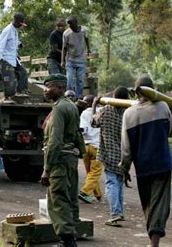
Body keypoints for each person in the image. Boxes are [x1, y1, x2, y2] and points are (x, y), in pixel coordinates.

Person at [120, 77, 172, 247]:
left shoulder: (128, 113)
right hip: (162, 163)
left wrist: (124, 169)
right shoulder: (162, 106)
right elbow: (171, 132)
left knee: (147, 203)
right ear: (153, 90)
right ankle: (154, 242)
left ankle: (153, 240)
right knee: (159, 203)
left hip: (142, 166)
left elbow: (126, 147)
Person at [41, 73, 85, 247]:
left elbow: (55, 140)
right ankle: (72, 233)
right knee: (70, 196)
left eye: (49, 87)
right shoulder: (71, 106)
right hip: (70, 158)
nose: (45, 90)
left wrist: (47, 168)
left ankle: (67, 240)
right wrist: (80, 152)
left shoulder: (59, 108)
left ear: (59, 88)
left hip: (59, 160)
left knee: (58, 199)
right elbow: (77, 133)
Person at [92, 86, 129, 227]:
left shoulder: (106, 110)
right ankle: (119, 212)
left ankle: (115, 213)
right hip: (124, 154)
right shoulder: (128, 112)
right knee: (118, 183)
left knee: (111, 183)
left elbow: (94, 122)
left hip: (108, 153)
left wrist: (95, 104)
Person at [0, 13, 28, 96]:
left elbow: (12, 42)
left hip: (13, 59)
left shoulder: (15, 31)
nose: (21, 26)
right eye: (20, 24)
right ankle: (9, 96)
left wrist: (19, 44)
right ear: (16, 22)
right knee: (10, 79)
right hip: (6, 59)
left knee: (23, 72)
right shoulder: (8, 30)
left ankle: (21, 92)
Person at [78, 95, 102, 204]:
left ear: (87, 103)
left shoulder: (84, 113)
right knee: (95, 172)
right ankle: (84, 192)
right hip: (97, 146)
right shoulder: (101, 111)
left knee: (90, 173)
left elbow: (83, 130)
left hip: (86, 146)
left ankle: (98, 194)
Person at [61, 15, 91, 99]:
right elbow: (64, 48)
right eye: (69, 24)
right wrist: (62, 61)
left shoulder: (84, 30)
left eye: (71, 24)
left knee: (80, 80)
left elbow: (87, 38)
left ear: (76, 23)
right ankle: (69, 96)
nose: (70, 26)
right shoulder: (66, 33)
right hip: (70, 59)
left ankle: (78, 96)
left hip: (81, 58)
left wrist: (88, 49)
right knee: (70, 79)